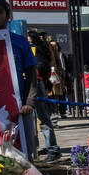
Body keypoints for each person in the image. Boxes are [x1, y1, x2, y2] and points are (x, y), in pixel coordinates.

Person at [0, 0, 40, 160]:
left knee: (22, 152)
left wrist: (29, 102)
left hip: (18, 108)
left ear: (7, 16)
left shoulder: (20, 42)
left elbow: (31, 74)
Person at [26, 29, 61, 157]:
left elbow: (42, 66)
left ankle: (52, 148)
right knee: (34, 118)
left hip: (36, 83)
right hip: (31, 83)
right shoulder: (36, 48)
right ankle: (39, 148)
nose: (27, 40)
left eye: (28, 38)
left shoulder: (38, 49)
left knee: (43, 117)